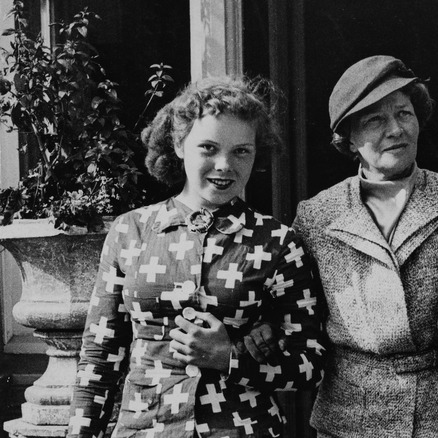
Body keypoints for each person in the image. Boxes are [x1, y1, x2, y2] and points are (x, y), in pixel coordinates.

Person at [67, 76, 325, 438]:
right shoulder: (131, 231)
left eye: (241, 151)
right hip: (144, 430)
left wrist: (229, 358)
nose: (224, 165)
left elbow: (310, 365)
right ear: (178, 145)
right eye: (208, 148)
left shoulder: (278, 244)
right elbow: (100, 355)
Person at [289, 55, 438, 437]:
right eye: (375, 120)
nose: (395, 129)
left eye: (404, 113)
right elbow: (295, 311)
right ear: (350, 138)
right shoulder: (317, 215)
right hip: (349, 416)